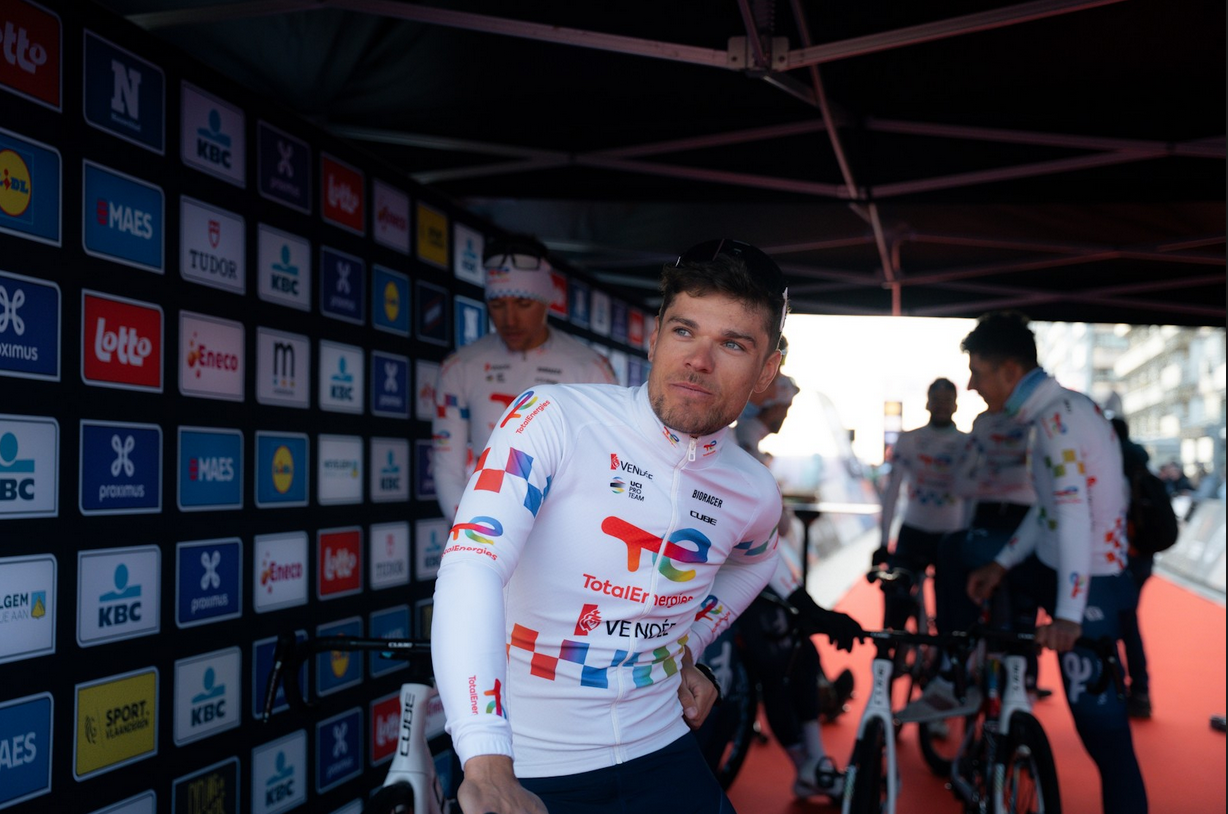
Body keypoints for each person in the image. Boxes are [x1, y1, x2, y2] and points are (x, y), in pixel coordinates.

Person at [431, 238, 790, 814]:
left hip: (664, 748)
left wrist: (689, 644)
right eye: (684, 331)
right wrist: (487, 758)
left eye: (732, 343)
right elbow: (471, 566)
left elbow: (757, 561)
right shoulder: (552, 416)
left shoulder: (753, 489)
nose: (699, 360)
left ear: (766, 370)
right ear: (655, 338)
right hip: (528, 765)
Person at [962, 311, 1147, 814]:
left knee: (1107, 741)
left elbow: (1071, 515)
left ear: (1009, 370)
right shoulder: (1056, 411)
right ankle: (982, 681)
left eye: (977, 372)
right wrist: (1002, 564)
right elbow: (1048, 510)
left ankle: (962, 677)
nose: (972, 385)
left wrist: (1068, 615)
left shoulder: (1057, 420)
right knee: (967, 553)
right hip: (1069, 574)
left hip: (1091, 587)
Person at [729, 366, 864, 800]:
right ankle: (809, 765)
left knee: (798, 655)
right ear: (767, 406)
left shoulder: (745, 442)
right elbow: (767, 534)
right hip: (736, 582)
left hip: (743, 577)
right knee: (780, 667)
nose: (786, 415)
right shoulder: (743, 443)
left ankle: (813, 762)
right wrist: (804, 602)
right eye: (784, 406)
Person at [431, 235, 617, 518]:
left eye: (523, 303)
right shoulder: (460, 366)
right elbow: (447, 470)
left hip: (564, 524)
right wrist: (471, 534)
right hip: (486, 518)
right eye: (497, 304)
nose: (510, 319)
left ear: (546, 300)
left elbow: (606, 467)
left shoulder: (590, 368)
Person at [873, 378, 968, 632]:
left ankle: (946, 652)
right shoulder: (909, 440)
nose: (941, 406)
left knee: (951, 610)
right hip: (913, 532)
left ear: (956, 405)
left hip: (950, 536)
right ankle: (891, 646)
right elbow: (891, 493)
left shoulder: (967, 443)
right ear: (927, 403)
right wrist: (883, 541)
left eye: (947, 401)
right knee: (895, 595)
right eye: (936, 400)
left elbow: (973, 497)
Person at [1111, 415, 1156, 719]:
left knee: (1119, 624)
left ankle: (1129, 690)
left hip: (1122, 557)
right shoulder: (1141, 465)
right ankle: (1138, 690)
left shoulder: (1115, 467)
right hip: (1143, 557)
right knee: (1128, 622)